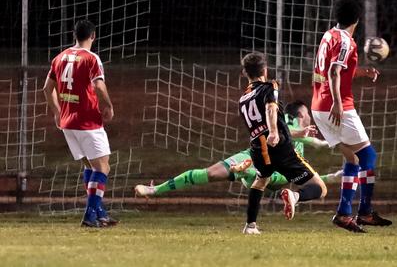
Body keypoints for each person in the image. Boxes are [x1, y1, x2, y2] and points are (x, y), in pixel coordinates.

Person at [134, 101, 339, 197]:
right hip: (272, 169)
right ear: (300, 116)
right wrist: (325, 142)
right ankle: (249, 170)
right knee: (280, 179)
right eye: (307, 116)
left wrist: (331, 176)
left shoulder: (279, 121)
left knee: (211, 173)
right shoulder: (290, 122)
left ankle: (154, 190)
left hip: (254, 157)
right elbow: (290, 132)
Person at [311, 0, 392, 233]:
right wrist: (337, 102)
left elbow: (337, 70)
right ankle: (365, 212)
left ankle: (344, 215)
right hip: (337, 106)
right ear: (357, 18)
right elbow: (335, 72)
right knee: (368, 157)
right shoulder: (347, 41)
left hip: (319, 106)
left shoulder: (329, 35)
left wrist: (362, 72)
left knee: (352, 159)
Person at [239, 52, 327, 235]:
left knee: (260, 181)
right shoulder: (270, 86)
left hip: (258, 149)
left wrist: (297, 132)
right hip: (280, 148)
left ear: (244, 73)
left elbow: (261, 125)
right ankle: (294, 196)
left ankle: (250, 226)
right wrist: (273, 132)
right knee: (320, 188)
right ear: (265, 69)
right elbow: (271, 109)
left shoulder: (243, 99)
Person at [43, 19, 118, 228]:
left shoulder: (60, 57)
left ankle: (100, 213)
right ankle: (89, 213)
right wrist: (109, 105)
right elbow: (99, 85)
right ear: (93, 36)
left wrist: (57, 111)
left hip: (67, 121)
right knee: (103, 167)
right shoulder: (91, 58)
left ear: (74, 35)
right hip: (87, 121)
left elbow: (46, 89)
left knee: (90, 166)